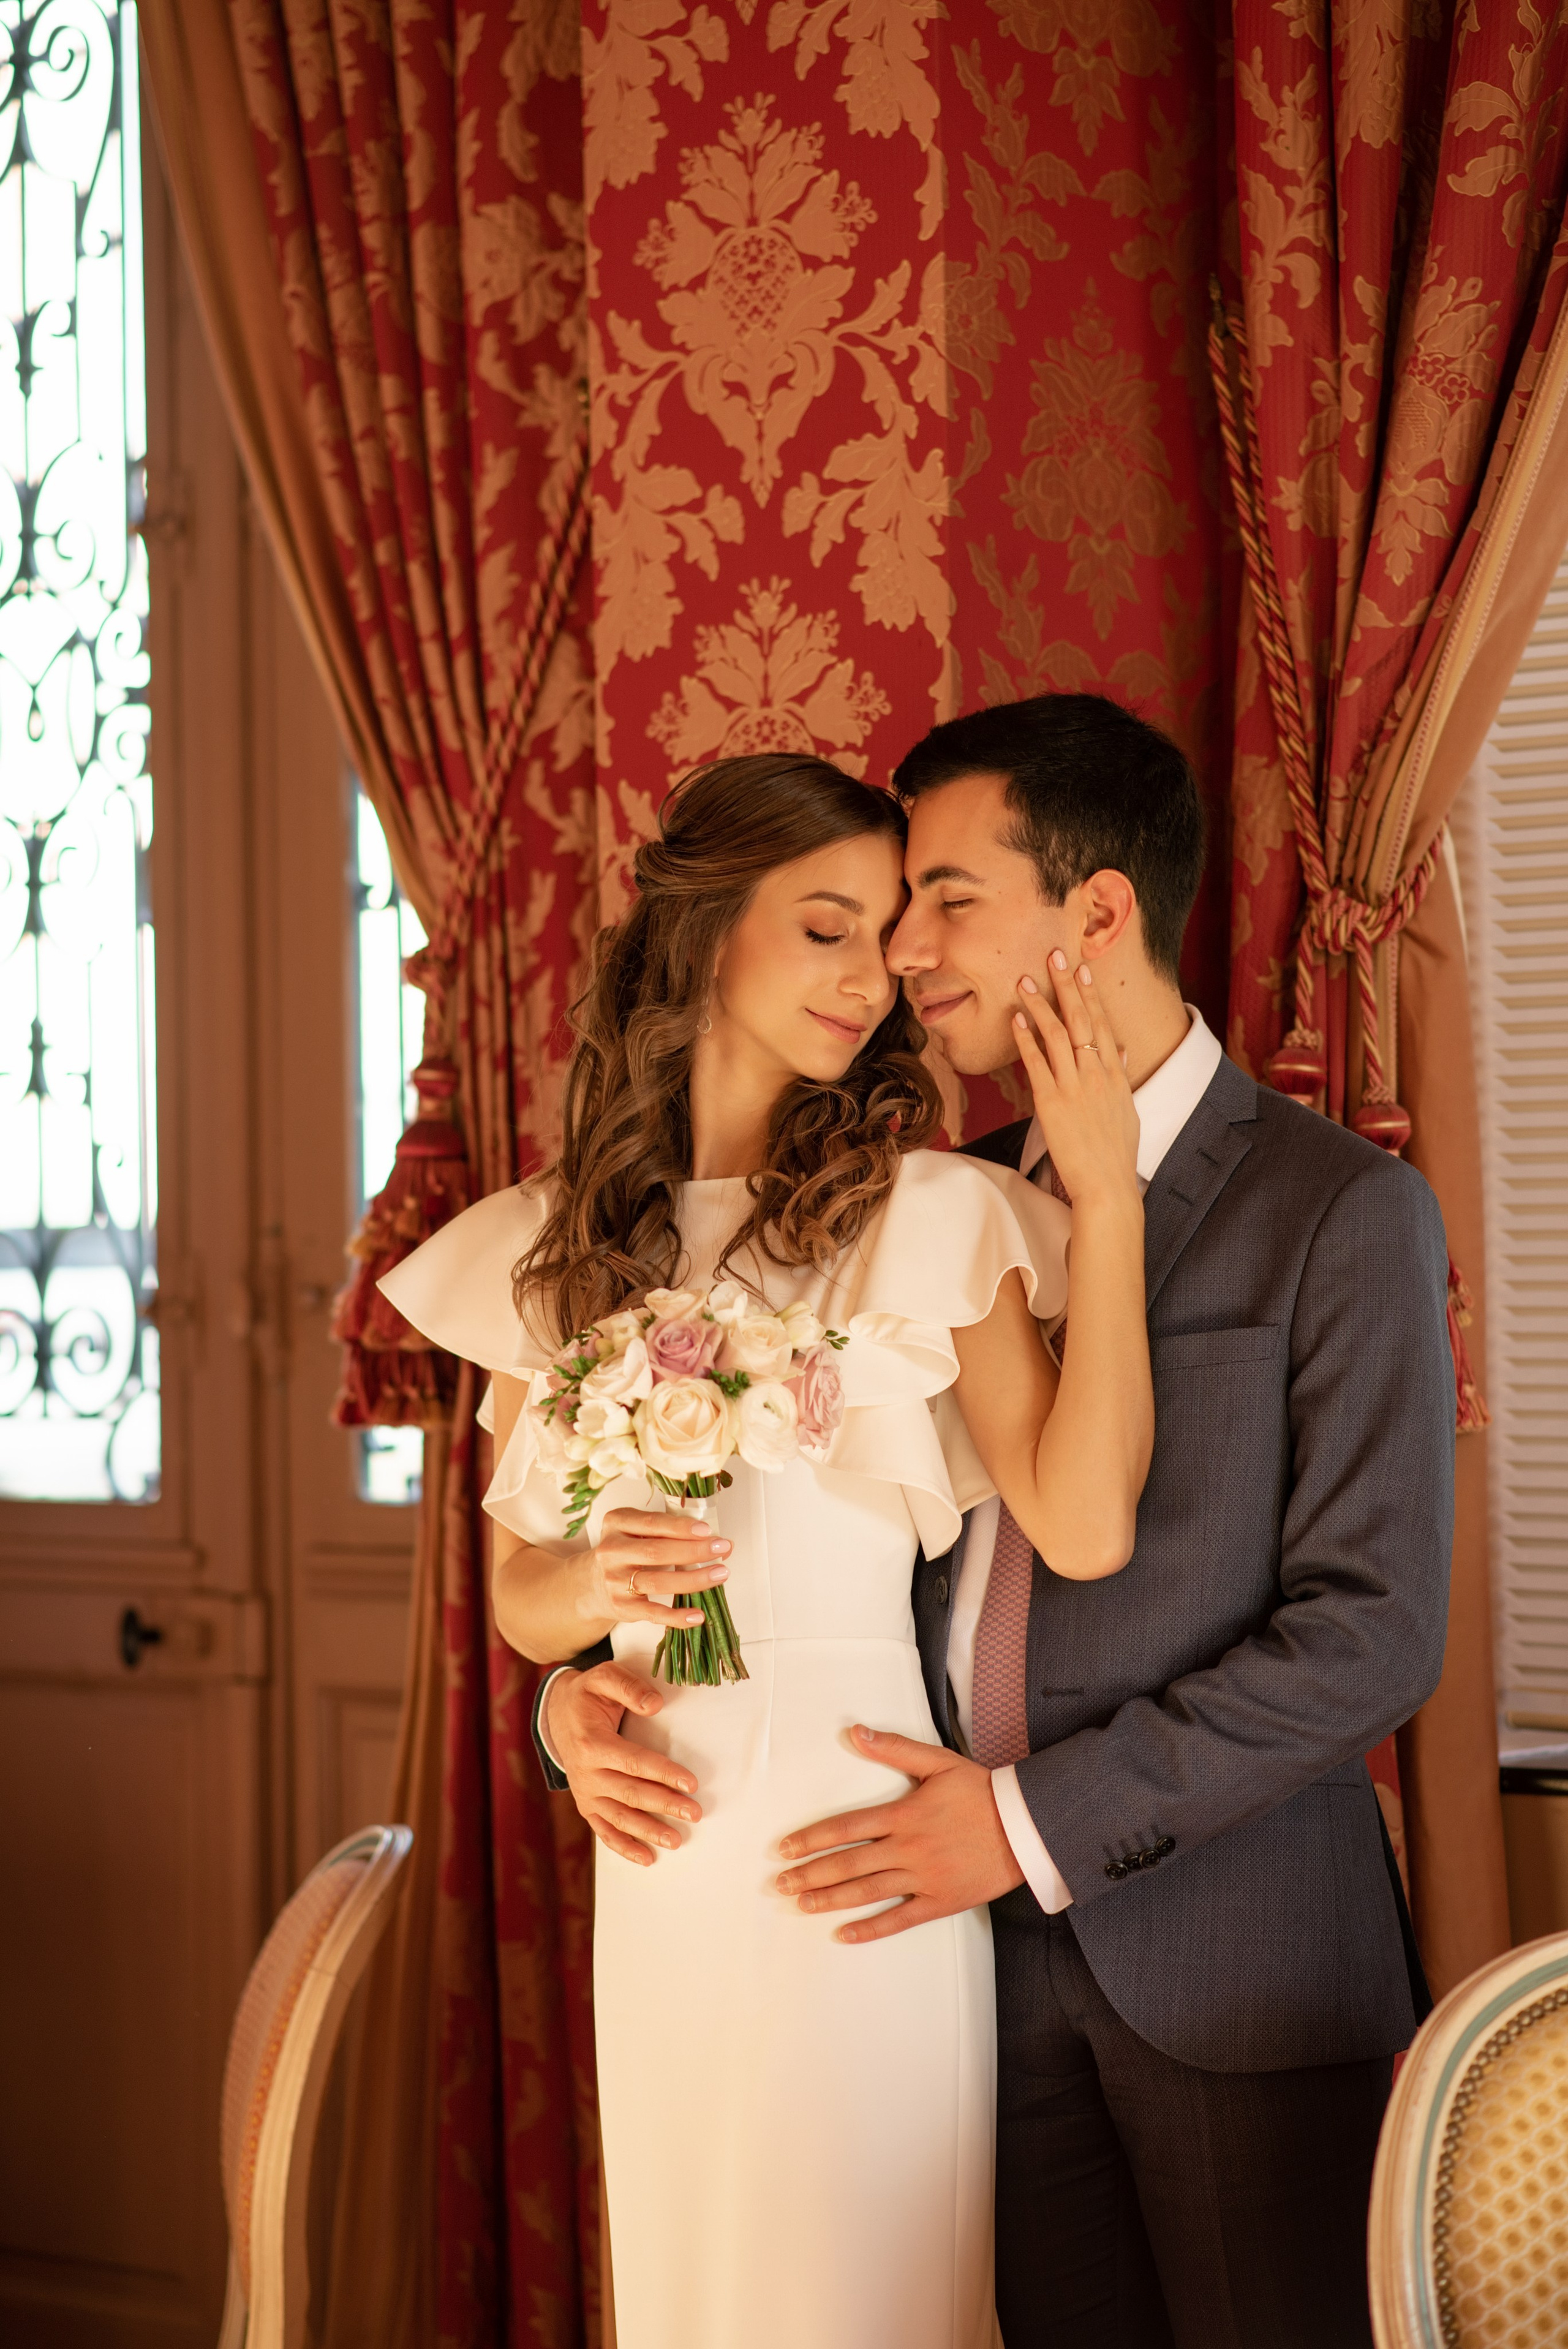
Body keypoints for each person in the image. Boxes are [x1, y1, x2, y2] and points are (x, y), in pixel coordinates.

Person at [380, 752, 1157, 2349]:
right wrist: (592, 1603)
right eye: (826, 927)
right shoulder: (563, 1244)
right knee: (697, 2293)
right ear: (707, 928)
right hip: (666, 1859)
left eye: (888, 932)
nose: (874, 977)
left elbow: (1084, 1525)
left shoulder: (927, 1214)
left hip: (860, 1843)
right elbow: (524, 1599)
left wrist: (1108, 1205)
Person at [770, 693, 1456, 2349]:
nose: (904, 951)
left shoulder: (1343, 1208)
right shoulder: (945, 1197)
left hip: (1237, 1968)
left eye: (949, 899)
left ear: (1096, 910)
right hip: (957, 1971)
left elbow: (1373, 1635)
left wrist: (1025, 1823)